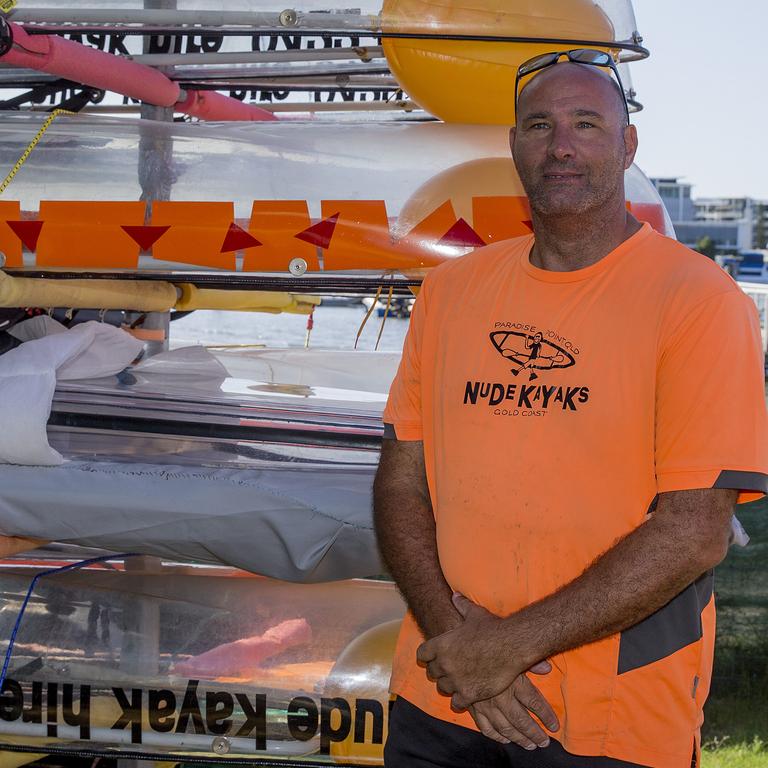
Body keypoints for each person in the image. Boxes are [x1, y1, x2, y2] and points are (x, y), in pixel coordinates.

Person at [374, 53, 768, 768]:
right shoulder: (451, 293)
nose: (561, 144)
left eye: (587, 123)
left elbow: (694, 533)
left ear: (627, 145)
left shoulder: (699, 302)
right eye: (539, 125)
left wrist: (506, 648)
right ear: (515, 147)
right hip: (444, 691)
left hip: (610, 717)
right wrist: (461, 647)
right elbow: (402, 480)